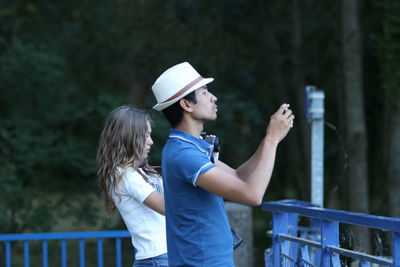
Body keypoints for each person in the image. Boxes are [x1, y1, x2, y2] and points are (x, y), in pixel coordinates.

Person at [151, 62, 294, 267]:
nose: (213, 97)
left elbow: (238, 177)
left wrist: (270, 140)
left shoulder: (191, 147)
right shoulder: (184, 155)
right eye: (204, 92)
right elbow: (252, 194)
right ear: (186, 105)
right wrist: (272, 139)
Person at [96, 106, 168, 267]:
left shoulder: (140, 172)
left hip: (164, 256)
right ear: (129, 137)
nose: (151, 141)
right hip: (158, 258)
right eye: (146, 135)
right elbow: (168, 207)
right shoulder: (124, 175)